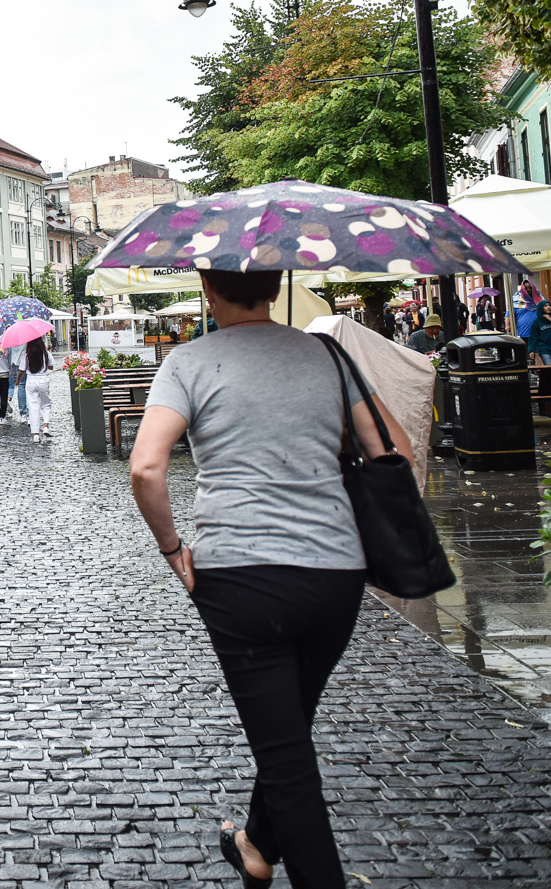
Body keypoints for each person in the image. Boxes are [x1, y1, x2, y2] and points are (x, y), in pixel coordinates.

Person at [128, 267, 414, 889]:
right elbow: (398, 456)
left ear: (209, 291)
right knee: (288, 724)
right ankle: (257, 842)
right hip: (335, 572)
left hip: (239, 576)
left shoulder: (188, 361)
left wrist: (174, 549)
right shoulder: (327, 355)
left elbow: (147, 468)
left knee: (285, 754)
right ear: (277, 285)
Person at [23, 336, 54, 444]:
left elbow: (22, 370)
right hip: (43, 380)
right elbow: (51, 367)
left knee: (33, 407)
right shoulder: (46, 354)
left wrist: (18, 380)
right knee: (46, 404)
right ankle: (46, 426)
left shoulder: (27, 356)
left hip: (31, 381)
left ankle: (36, 435)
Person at [7, 339, 29, 421]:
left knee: (21, 385)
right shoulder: (26, 336)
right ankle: (30, 413)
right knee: (29, 386)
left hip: (15, 362)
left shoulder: (12, 335)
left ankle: (23, 413)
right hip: (27, 361)